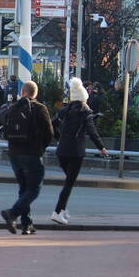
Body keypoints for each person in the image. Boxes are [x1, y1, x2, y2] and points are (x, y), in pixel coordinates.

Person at [50, 77, 108, 225]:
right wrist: (101, 147)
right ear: (84, 98)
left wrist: (59, 138)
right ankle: (57, 212)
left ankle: (62, 210)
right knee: (69, 183)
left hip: (61, 151)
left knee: (68, 181)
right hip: (76, 152)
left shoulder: (64, 110)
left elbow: (52, 125)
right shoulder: (86, 112)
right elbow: (92, 132)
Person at [0, 80, 55, 235]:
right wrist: (40, 147)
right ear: (35, 93)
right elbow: (49, 133)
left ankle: (26, 224)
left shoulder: (12, 108)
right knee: (34, 189)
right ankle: (12, 213)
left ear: (22, 92)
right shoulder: (39, 108)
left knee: (23, 188)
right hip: (32, 153)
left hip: (14, 154)